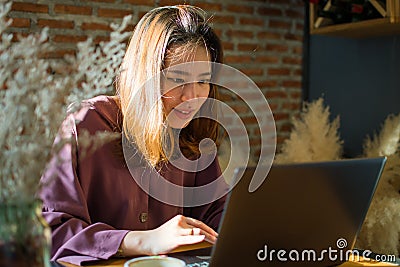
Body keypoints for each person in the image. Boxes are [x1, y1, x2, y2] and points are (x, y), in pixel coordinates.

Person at [40, 5, 228, 265]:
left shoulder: (195, 136)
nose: (192, 97)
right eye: (177, 79)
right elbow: (52, 232)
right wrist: (145, 240)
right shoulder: (87, 124)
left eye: (203, 81)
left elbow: (218, 220)